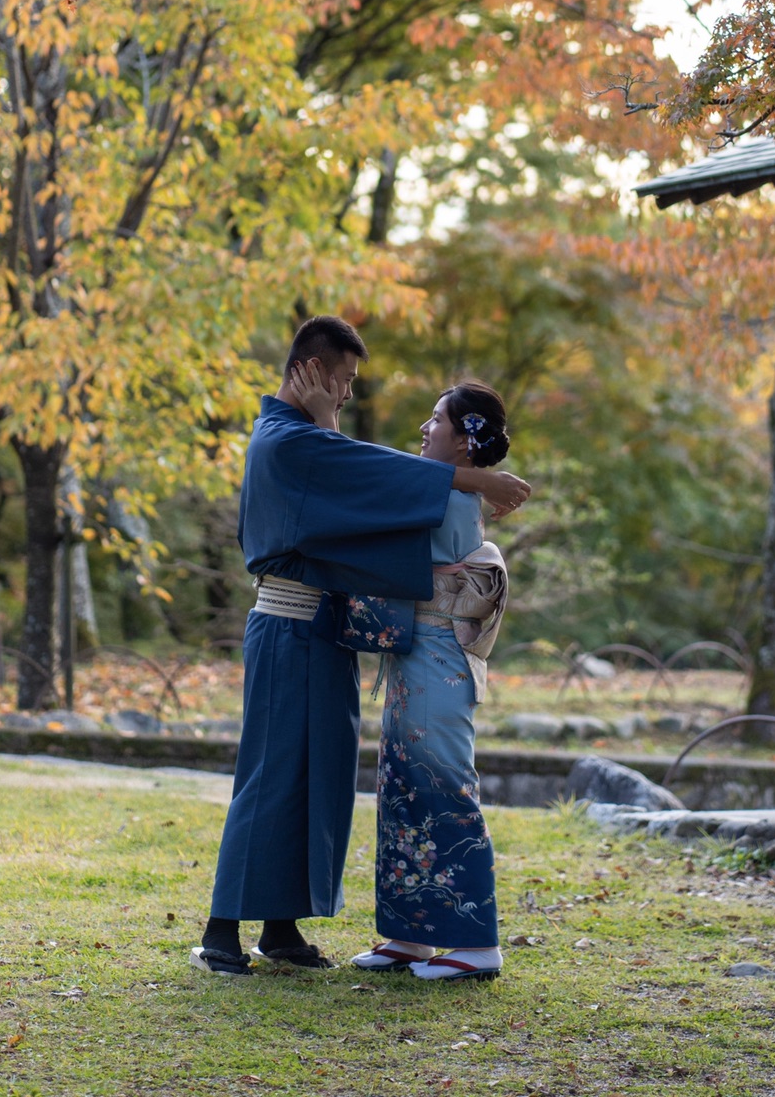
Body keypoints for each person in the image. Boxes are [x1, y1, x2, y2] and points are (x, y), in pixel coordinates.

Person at [192, 319, 531, 977]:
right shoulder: (290, 441)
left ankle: (281, 926)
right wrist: (475, 481)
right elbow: (358, 473)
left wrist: (334, 430)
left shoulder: (309, 442)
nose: (345, 394)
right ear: (311, 370)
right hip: (291, 626)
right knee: (271, 776)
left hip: (323, 632)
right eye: (342, 380)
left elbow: (356, 487)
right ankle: (220, 930)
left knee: (314, 778)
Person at [348, 383, 513, 984]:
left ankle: (475, 942)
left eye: (436, 419)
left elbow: (377, 493)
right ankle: (410, 934)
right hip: (420, 652)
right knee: (402, 787)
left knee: (444, 785)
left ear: (465, 436)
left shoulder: (446, 495)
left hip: (441, 653)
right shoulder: (446, 488)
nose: (424, 426)